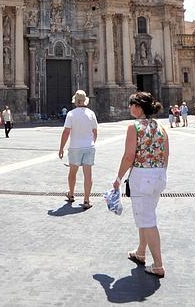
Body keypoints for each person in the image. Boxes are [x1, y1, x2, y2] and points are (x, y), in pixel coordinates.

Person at [112, 91, 169, 279]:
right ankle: (140, 252)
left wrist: (118, 179)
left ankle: (158, 265)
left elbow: (129, 156)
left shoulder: (134, 127)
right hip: (159, 175)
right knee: (147, 215)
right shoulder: (161, 127)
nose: (129, 108)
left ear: (137, 107)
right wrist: (158, 174)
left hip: (142, 176)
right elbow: (166, 156)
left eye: (131, 104)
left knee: (148, 221)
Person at [58, 90, 98, 209]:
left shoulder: (71, 114)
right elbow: (95, 132)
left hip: (75, 147)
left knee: (72, 173)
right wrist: (91, 143)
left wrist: (61, 148)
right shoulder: (91, 113)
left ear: (75, 101)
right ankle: (86, 200)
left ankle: (71, 194)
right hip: (89, 147)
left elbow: (66, 132)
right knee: (88, 175)